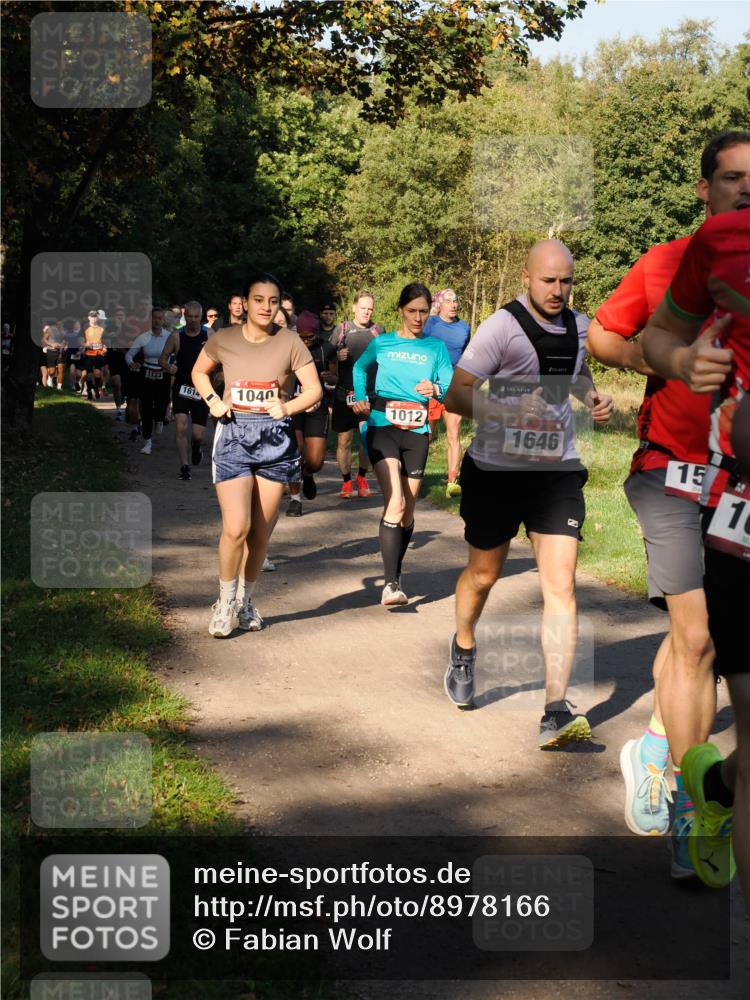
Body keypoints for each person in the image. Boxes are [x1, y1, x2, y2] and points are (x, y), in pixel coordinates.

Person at [587, 130, 750, 869]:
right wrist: (666, 357)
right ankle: (697, 816)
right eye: (732, 178)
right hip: (671, 469)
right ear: (703, 188)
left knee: (707, 635)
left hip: (737, 481)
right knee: (697, 638)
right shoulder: (664, 262)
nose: (746, 189)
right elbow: (603, 333)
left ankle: (661, 745)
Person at [442, 240, 613, 747]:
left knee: (560, 584)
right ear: (526, 277)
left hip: (555, 470)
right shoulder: (501, 328)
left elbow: (577, 373)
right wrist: (506, 413)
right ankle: (464, 646)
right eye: (548, 281)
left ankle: (555, 709)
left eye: (566, 281)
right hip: (496, 470)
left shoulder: (581, 327)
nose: (558, 290)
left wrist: (593, 397)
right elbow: (457, 394)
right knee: (483, 574)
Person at [642, 208, 749, 906]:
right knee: (695, 638)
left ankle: (715, 782)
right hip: (702, 483)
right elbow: (640, 336)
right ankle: (693, 795)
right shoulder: (710, 245)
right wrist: (683, 361)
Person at [191, 273, 322, 637]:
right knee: (236, 528)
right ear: (245, 303)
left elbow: (313, 390)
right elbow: (199, 372)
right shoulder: (224, 339)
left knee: (260, 534)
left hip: (274, 442)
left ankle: (245, 601)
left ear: (280, 305)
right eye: (259, 299)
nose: (266, 307)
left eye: (273, 300)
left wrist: (288, 407)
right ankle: (223, 602)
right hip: (233, 436)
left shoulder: (291, 341)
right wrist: (214, 401)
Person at [352, 283, 454, 605]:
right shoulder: (382, 343)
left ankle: (395, 573)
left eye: (424, 311)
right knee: (394, 501)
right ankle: (391, 584)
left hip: (417, 432)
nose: (418, 317)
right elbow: (358, 367)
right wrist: (360, 399)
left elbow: (449, 385)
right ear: (400, 310)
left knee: (407, 511)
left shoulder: (436, 348)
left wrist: (434, 388)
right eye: (412, 311)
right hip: (382, 427)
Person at [330, 291, 384, 499]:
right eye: (363, 308)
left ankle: (362, 477)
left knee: (367, 438)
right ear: (354, 308)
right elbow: (326, 359)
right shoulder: (342, 330)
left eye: (370, 308)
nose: (366, 312)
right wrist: (336, 356)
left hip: (370, 394)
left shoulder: (378, 331)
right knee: (344, 441)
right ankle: (346, 481)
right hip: (345, 394)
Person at [286, 310, 338, 515]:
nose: (306, 341)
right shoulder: (290, 347)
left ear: (317, 334)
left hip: (318, 407)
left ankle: (307, 474)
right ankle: (295, 499)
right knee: (295, 452)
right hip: (294, 406)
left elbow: (335, 378)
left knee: (315, 461)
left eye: (310, 337)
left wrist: (329, 378)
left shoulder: (327, 349)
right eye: (302, 337)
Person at [424, 288, 471, 497]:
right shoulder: (429, 324)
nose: (453, 304)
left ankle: (453, 480)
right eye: (449, 301)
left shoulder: (464, 327)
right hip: (430, 387)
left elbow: (467, 356)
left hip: (454, 388)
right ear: (439, 304)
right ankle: (414, 474)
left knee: (454, 433)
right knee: (426, 434)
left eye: (456, 300)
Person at [159, 300, 211, 480]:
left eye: (196, 317)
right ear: (185, 316)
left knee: (198, 435)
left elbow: (221, 357)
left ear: (201, 317)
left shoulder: (209, 334)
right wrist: (168, 367)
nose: (193, 320)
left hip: (202, 388)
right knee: (180, 426)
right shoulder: (176, 336)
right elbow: (162, 359)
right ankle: (185, 466)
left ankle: (196, 447)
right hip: (182, 386)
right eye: (189, 317)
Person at [125, 308, 172, 455]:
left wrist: (174, 365)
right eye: (154, 318)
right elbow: (129, 355)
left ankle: (160, 418)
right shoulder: (143, 337)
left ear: (164, 320)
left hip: (163, 374)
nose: (157, 321)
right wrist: (132, 364)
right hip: (146, 374)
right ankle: (147, 442)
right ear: (150, 320)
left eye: (160, 318)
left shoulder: (170, 337)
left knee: (162, 404)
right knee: (145, 407)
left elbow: (178, 354)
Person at [81, 310, 107, 400]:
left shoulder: (102, 328)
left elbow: (104, 341)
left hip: (99, 353)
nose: (94, 318)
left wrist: (104, 347)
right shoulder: (84, 328)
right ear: (89, 317)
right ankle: (89, 391)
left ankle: (96, 387)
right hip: (88, 353)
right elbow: (81, 341)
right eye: (92, 316)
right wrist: (86, 345)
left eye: (95, 316)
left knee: (98, 374)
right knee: (89, 375)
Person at [42, 320, 66, 389]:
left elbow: (65, 341)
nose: (60, 326)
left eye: (61, 324)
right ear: (56, 324)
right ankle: (50, 377)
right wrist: (51, 344)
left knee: (60, 368)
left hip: (60, 351)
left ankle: (59, 387)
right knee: (52, 371)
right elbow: (44, 339)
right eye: (58, 324)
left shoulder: (64, 331)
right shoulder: (50, 330)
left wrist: (64, 345)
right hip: (51, 351)